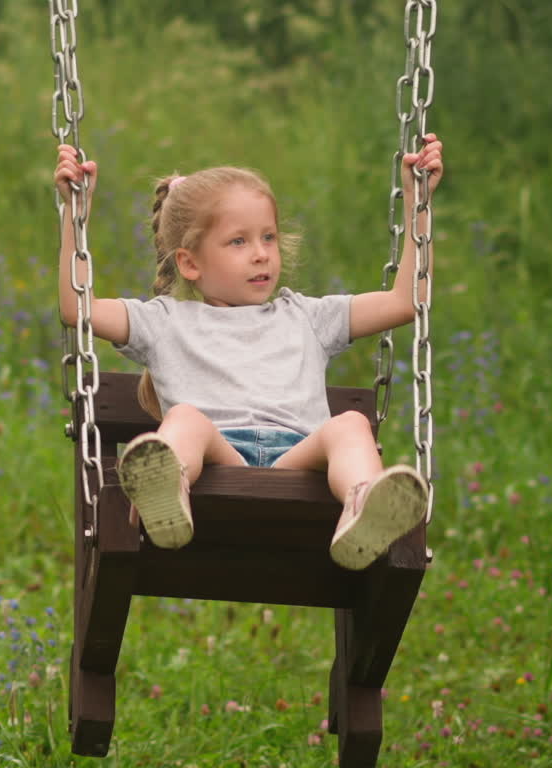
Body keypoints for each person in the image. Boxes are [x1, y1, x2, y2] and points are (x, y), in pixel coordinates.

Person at [56, 136, 443, 569]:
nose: (261, 254)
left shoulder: (308, 316)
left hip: (300, 459)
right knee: (185, 419)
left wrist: (417, 206)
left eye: (269, 237)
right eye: (238, 242)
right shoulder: (164, 321)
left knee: (351, 424)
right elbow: (78, 308)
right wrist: (76, 216)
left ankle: (364, 507)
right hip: (219, 459)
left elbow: (404, 303)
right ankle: (166, 494)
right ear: (189, 263)